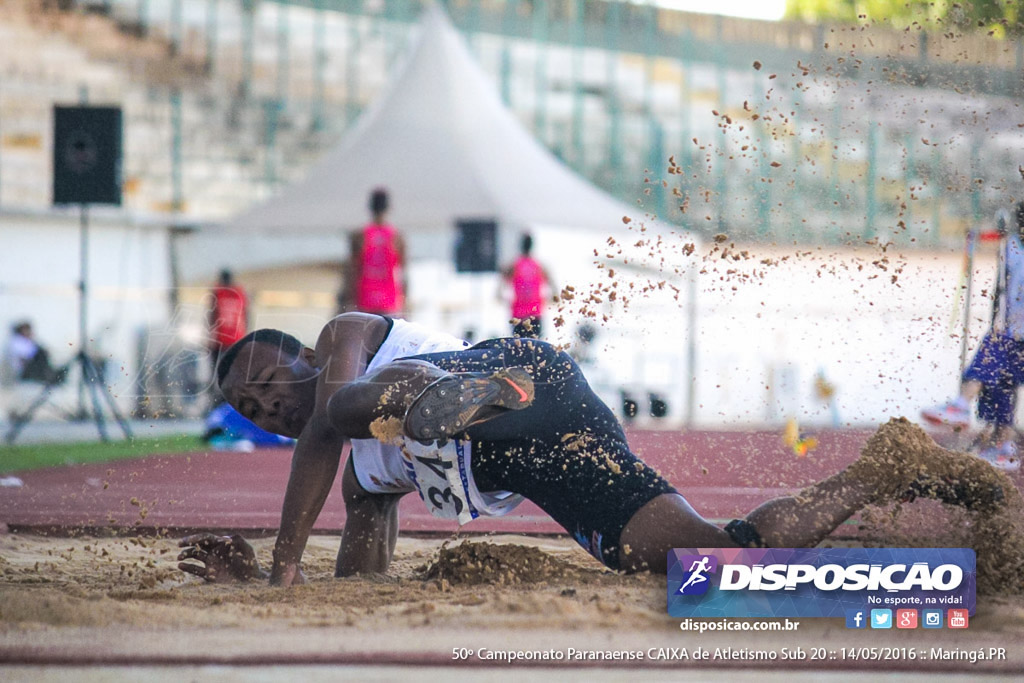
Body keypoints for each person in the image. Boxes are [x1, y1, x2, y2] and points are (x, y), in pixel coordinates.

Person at [176, 313, 1005, 584]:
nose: (270, 407)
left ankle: (454, 399)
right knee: (707, 568)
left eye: (271, 383)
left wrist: (280, 562)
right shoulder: (363, 488)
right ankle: (882, 469)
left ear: (299, 354)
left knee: (356, 406)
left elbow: (325, 418)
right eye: (252, 410)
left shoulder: (344, 336)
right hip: (546, 445)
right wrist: (287, 580)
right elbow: (359, 586)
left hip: (515, 372)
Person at [922, 203, 1024, 472]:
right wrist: (977, 236)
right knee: (1002, 384)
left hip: (1014, 335)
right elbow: (998, 238)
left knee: (991, 357)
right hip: (1012, 332)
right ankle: (1003, 446)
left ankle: (961, 405)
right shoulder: (1013, 245)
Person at [350, 188, 406, 315]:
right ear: (388, 208)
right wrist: (405, 304)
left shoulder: (360, 236)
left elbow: (353, 272)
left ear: (370, 208)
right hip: (389, 302)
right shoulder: (397, 237)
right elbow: (403, 273)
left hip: (365, 301)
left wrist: (349, 301)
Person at [501, 233, 553, 338]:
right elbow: (554, 290)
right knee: (536, 350)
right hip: (535, 314)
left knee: (517, 349)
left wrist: (508, 302)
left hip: (518, 315)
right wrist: (545, 300)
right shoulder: (539, 266)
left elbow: (499, 291)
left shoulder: (513, 266)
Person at [1, 321, 62, 385]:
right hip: (25, 371)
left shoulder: (28, 342)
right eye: (26, 330)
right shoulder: (16, 342)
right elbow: (23, 358)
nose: (28, 332)